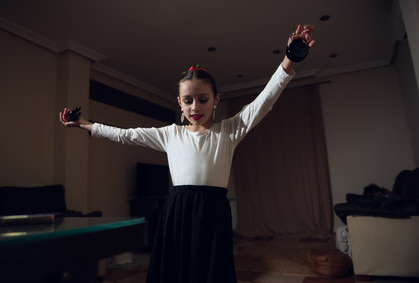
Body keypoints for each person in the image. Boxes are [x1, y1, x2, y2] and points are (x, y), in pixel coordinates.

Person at [60, 24, 315, 283]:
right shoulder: (171, 134)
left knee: (210, 271)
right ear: (180, 102)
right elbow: (125, 134)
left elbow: (265, 100)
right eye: (188, 100)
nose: (195, 107)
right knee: (177, 271)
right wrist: (85, 125)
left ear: (216, 100)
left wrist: (290, 59)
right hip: (178, 210)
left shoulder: (230, 130)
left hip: (214, 209)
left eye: (203, 99)